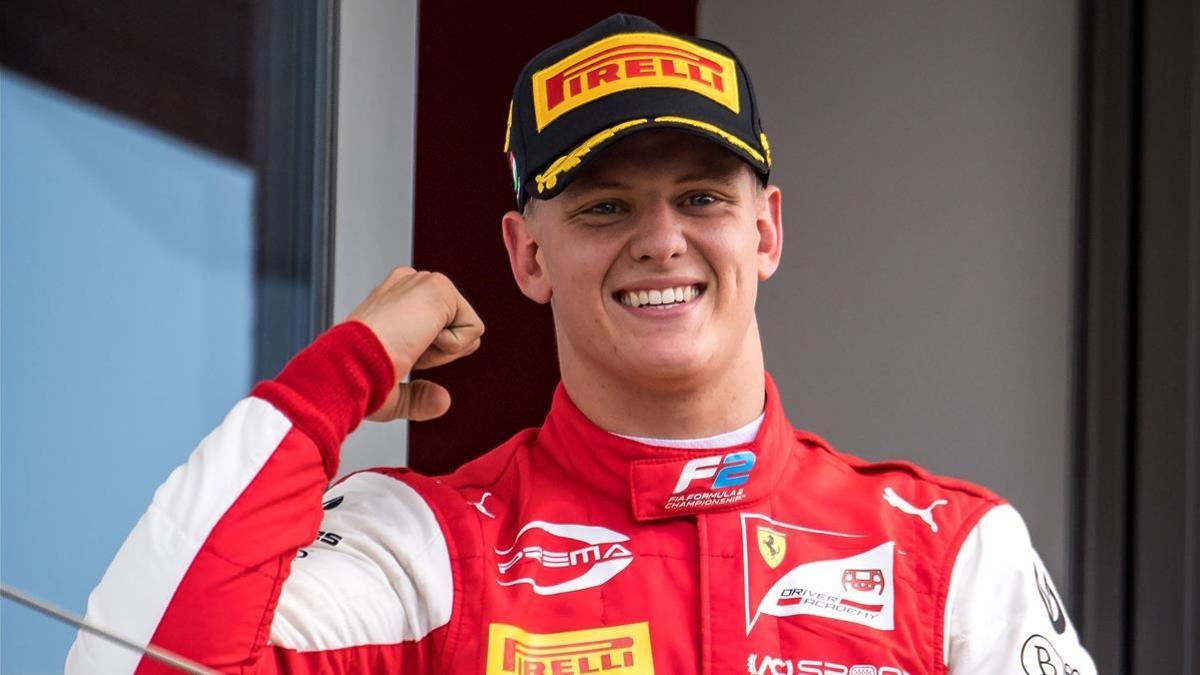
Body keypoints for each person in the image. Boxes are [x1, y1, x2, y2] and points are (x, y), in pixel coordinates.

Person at [67, 14, 1095, 675]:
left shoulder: (949, 552)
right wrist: (342, 373)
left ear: (767, 230)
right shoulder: (428, 548)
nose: (661, 241)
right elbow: (131, 666)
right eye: (605, 207)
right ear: (526, 255)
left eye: (701, 197)